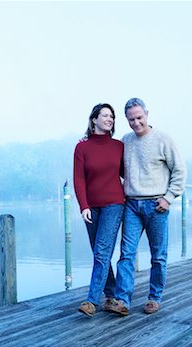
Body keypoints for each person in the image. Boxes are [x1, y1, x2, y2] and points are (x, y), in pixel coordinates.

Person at [110, 97, 186, 316]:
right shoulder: (125, 141)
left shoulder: (163, 139)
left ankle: (154, 297)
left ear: (147, 114)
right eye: (131, 119)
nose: (136, 123)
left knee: (158, 255)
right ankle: (122, 300)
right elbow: (110, 160)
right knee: (126, 254)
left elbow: (179, 170)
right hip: (132, 205)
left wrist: (169, 197)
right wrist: (87, 138)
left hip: (157, 205)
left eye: (139, 117)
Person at [73, 103, 126, 317]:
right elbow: (79, 179)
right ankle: (111, 297)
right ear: (94, 119)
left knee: (102, 251)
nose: (109, 118)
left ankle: (91, 301)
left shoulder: (119, 146)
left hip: (114, 203)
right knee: (99, 253)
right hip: (91, 207)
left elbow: (128, 174)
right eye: (105, 115)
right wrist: (83, 205)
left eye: (112, 116)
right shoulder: (82, 148)